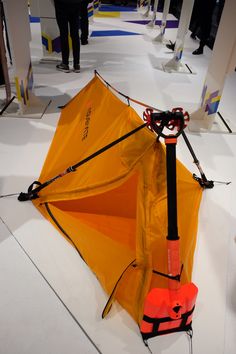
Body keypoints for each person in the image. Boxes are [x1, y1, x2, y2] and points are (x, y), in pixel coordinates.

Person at [53, 0, 81, 73]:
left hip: (61, 5)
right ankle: (76, 64)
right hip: (76, 4)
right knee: (75, 35)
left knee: (64, 34)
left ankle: (65, 63)